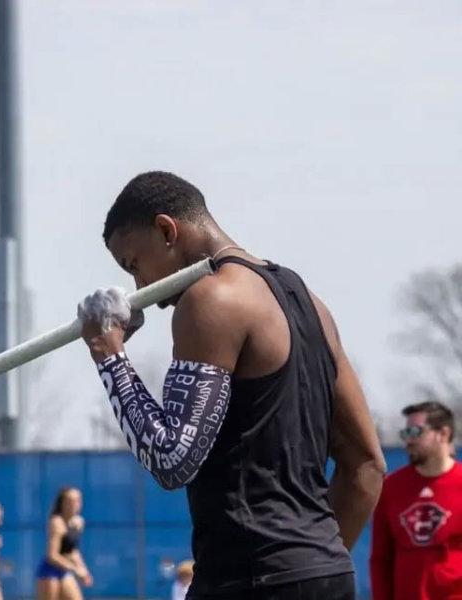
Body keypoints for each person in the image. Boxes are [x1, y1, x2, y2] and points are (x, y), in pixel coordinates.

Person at [78, 171, 385, 599]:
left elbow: (171, 459)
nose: (140, 287)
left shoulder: (210, 299)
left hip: (249, 578)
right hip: (324, 574)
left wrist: (107, 353)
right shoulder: (312, 304)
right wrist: (309, 565)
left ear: (167, 230)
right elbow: (366, 467)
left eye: (135, 265)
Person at [371, 401, 462, 600]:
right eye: (405, 434)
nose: (409, 440)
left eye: (416, 432)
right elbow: (381, 559)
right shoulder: (391, 487)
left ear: (443, 434)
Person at [36, 487, 93, 600]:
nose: (75, 504)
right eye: (70, 501)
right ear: (62, 503)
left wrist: (84, 569)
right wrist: (76, 570)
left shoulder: (78, 522)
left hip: (64, 571)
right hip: (49, 572)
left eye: (78, 500)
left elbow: (72, 551)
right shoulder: (56, 522)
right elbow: (52, 555)